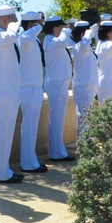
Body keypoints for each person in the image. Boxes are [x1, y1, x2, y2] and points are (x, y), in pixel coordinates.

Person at [0, 6, 23, 183]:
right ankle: (0, 173)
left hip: (10, 89)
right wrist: (14, 26)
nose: (16, 21)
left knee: (7, 132)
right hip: (4, 91)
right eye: (12, 18)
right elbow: (10, 35)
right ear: (4, 20)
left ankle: (4, 170)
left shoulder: (5, 37)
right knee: (4, 132)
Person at [17, 11, 46, 174]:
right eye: (36, 23)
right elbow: (28, 36)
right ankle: (27, 163)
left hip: (35, 86)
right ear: (30, 25)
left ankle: (31, 160)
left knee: (32, 126)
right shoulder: (24, 38)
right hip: (27, 87)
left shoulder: (32, 39)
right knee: (28, 126)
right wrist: (38, 25)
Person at [43, 16, 74, 162]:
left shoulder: (55, 41)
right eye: (59, 27)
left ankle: (58, 151)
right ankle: (56, 153)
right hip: (55, 83)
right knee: (56, 118)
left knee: (58, 118)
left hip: (59, 82)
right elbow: (63, 40)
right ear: (54, 28)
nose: (62, 29)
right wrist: (68, 28)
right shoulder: (51, 41)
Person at [70, 21, 99, 134]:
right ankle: (83, 144)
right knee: (83, 116)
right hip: (83, 86)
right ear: (82, 34)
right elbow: (85, 43)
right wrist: (89, 33)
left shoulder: (86, 48)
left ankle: (87, 143)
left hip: (89, 85)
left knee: (87, 117)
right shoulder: (79, 47)